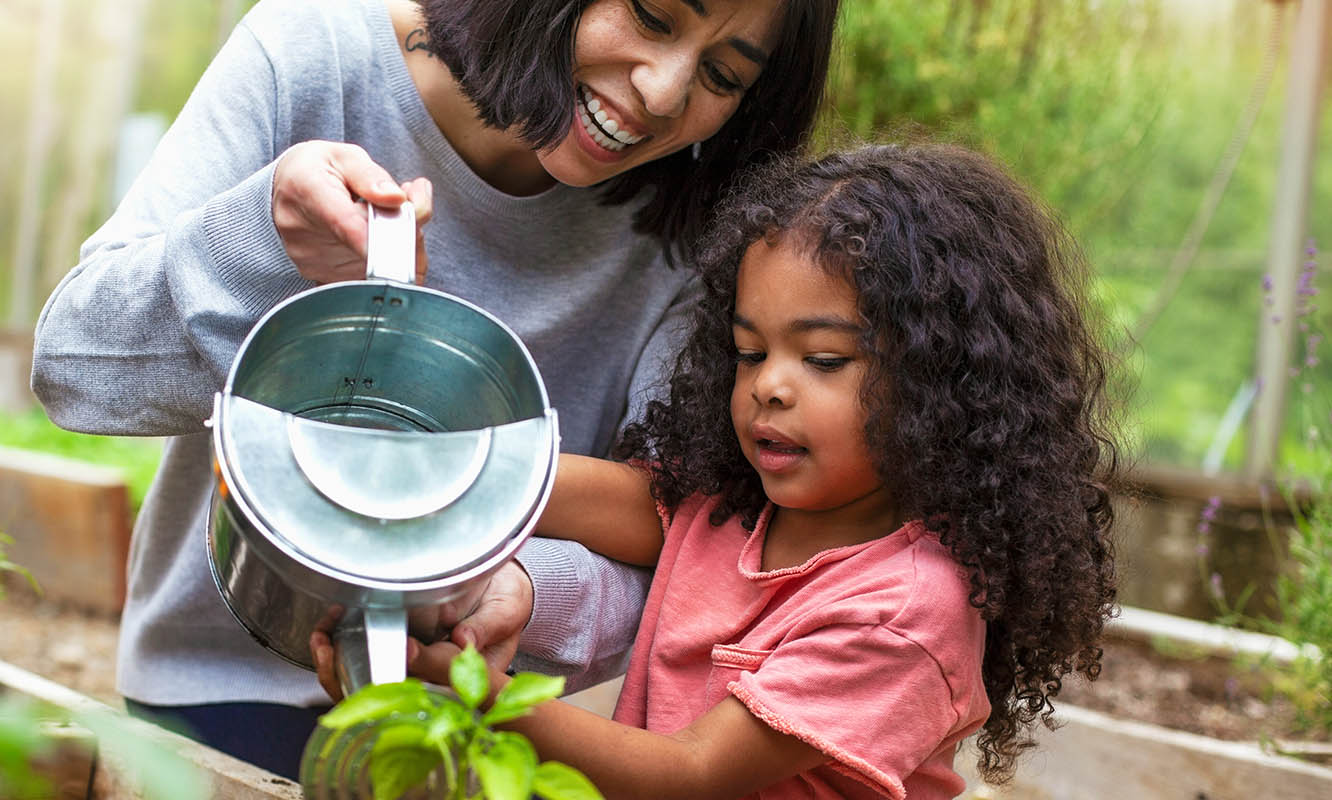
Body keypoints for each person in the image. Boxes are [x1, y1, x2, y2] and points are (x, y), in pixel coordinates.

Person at [30, 0, 840, 778]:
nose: (663, 91)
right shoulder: (319, 52)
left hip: (472, 718)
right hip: (220, 681)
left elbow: (685, 537)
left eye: (725, 77)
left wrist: (529, 589)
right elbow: (74, 367)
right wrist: (267, 236)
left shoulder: (696, 237)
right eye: (651, 15)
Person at [327, 143, 1121, 798]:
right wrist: (448, 468)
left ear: (941, 381)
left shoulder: (905, 610)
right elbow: (620, 501)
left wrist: (468, 694)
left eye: (823, 359)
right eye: (750, 351)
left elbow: (695, 772)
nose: (769, 384)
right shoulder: (740, 507)